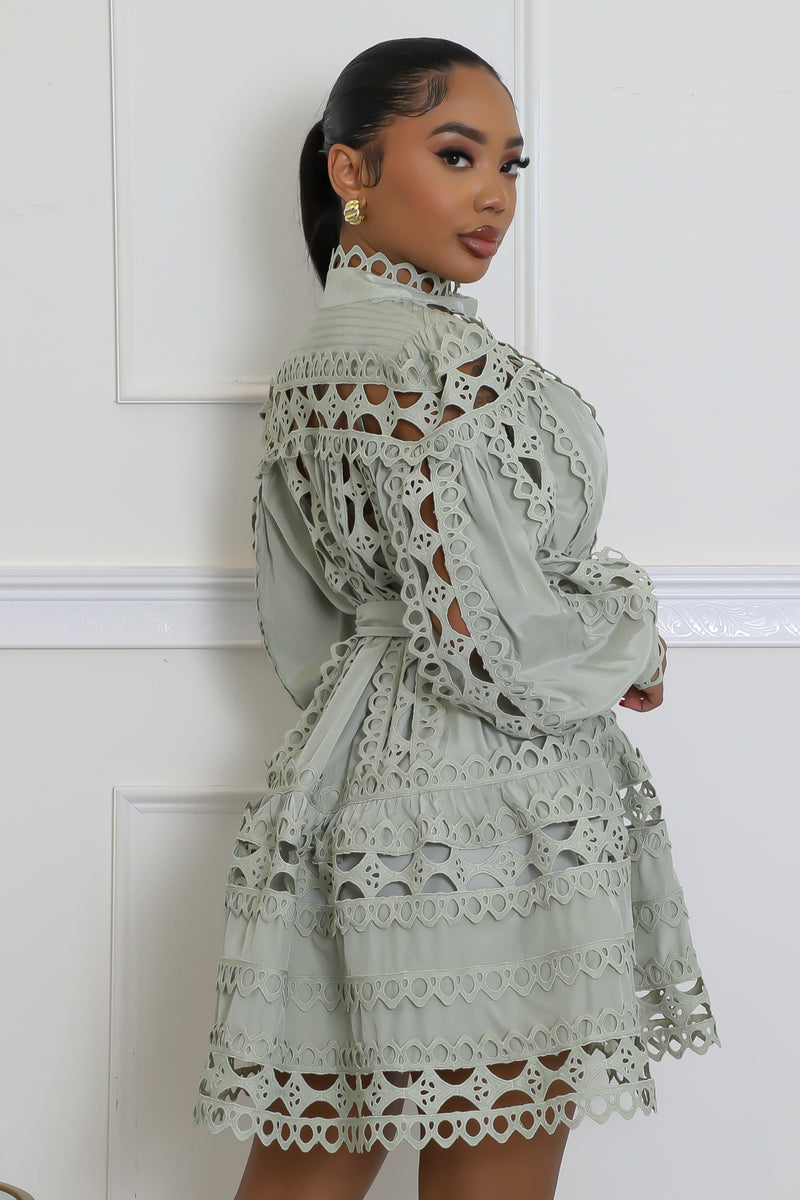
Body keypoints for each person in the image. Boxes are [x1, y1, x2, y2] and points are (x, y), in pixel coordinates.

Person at [194, 37, 719, 1200]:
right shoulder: (440, 365)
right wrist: (627, 639)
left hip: (339, 790)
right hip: (498, 808)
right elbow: (493, 643)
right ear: (349, 170)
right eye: (454, 153)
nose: (493, 195)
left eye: (509, 164)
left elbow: (305, 624)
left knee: (307, 1162)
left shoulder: (309, 369)